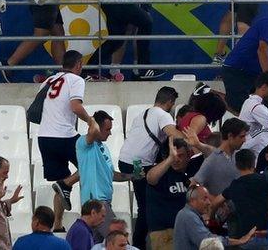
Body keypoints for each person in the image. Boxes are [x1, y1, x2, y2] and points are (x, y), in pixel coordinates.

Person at [119, 86, 182, 248]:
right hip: (139, 163)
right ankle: (140, 244)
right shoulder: (163, 115)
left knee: (145, 202)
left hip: (126, 161)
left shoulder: (143, 114)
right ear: (170, 102)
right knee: (145, 207)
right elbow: (173, 134)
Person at [37, 50, 91, 230]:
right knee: (91, 162)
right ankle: (66, 184)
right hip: (64, 135)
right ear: (79, 65)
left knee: (60, 183)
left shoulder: (48, 81)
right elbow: (75, 106)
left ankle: (58, 225)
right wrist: (91, 122)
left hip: (44, 137)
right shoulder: (76, 80)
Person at [76, 111, 136, 239]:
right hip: (95, 203)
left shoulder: (105, 148)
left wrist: (132, 176)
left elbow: (111, 174)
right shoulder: (83, 143)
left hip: (106, 203)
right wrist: (91, 120)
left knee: (100, 245)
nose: (110, 133)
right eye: (107, 129)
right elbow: (92, 132)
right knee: (118, 240)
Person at [145, 137, 195, 250]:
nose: (176, 160)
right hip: (164, 232)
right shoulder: (161, 171)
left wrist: (198, 144)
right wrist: (169, 159)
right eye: (173, 156)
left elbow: (215, 156)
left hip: (189, 230)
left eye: (180, 155)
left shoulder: (193, 168)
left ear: (188, 155)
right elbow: (150, 178)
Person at [190, 118, 249, 196]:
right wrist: (212, 199)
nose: (244, 140)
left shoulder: (239, 156)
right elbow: (193, 186)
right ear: (230, 136)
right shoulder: (212, 160)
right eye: (241, 136)